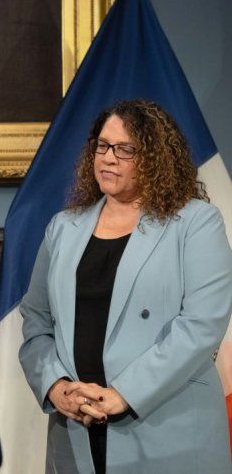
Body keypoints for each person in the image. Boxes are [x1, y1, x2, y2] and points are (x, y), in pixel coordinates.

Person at [19, 100, 232, 474]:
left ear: (154, 157)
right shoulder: (63, 228)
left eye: (124, 149)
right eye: (102, 146)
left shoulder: (195, 222)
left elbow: (202, 326)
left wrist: (123, 395)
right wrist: (55, 385)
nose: (108, 158)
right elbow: (36, 319)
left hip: (166, 431)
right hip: (77, 431)